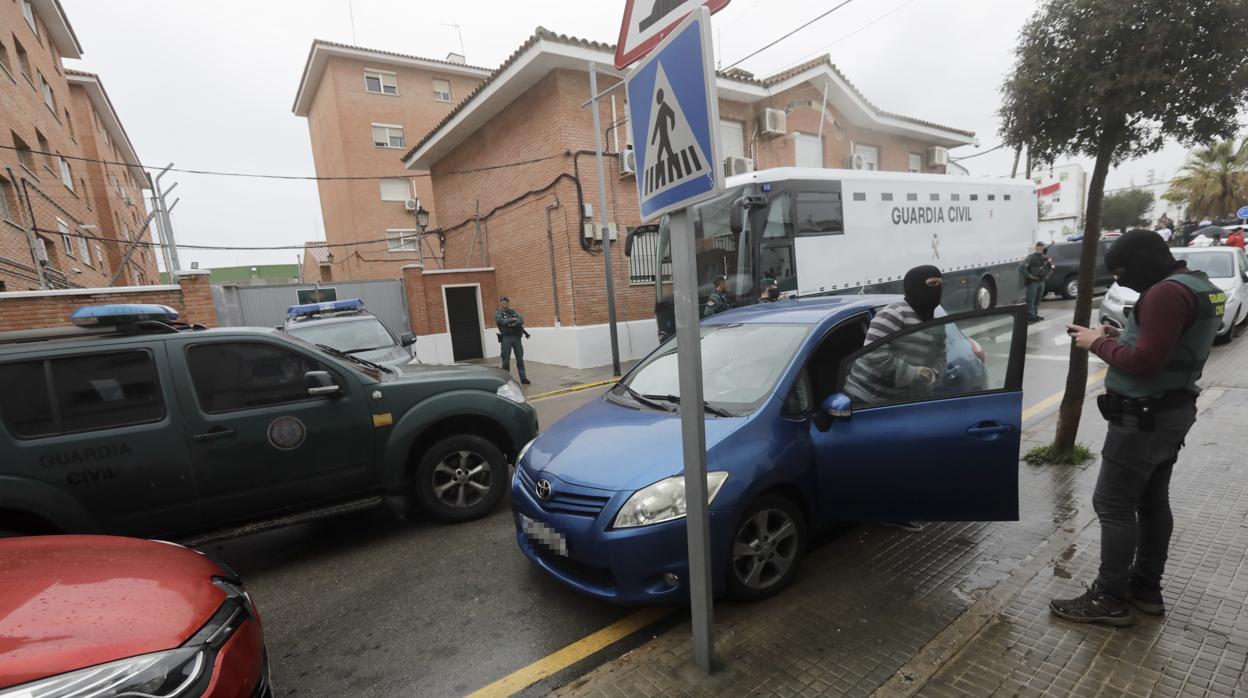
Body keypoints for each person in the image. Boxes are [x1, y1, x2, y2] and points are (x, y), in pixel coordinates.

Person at [1053, 230, 1224, 627]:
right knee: (1150, 502)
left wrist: (1097, 343)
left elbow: (1146, 362)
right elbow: (1166, 346)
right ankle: (1145, 589)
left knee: (1112, 506)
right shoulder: (1200, 285)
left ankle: (1110, 598)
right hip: (1171, 411)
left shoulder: (1165, 293)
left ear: (1145, 261)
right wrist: (1121, 336)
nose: (1118, 281)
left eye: (1122, 272)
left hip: (1143, 418)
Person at [843, 265, 947, 533]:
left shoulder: (935, 320)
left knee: (900, 458)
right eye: (930, 284)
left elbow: (940, 356)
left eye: (939, 284)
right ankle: (884, 510)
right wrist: (912, 372)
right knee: (879, 460)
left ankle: (895, 509)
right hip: (867, 398)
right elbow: (873, 353)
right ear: (913, 286)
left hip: (901, 400)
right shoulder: (894, 314)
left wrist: (933, 372)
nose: (936, 290)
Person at [494, 297, 530, 385]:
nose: (504, 304)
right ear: (500, 304)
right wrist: (513, 320)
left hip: (516, 337)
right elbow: (501, 322)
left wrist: (512, 322)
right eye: (502, 302)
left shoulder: (513, 312)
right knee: (506, 360)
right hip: (506, 338)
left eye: (506, 302)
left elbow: (521, 320)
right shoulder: (498, 313)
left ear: (508, 303)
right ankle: (506, 380)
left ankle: (523, 378)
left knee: (520, 359)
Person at [1020, 242, 1054, 322]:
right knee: (1031, 299)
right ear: (1036, 248)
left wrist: (1048, 275)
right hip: (1033, 282)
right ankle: (1031, 315)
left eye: (1041, 247)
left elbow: (1051, 267)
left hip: (1041, 281)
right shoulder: (1030, 258)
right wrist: (1029, 276)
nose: (1040, 249)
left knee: (1038, 299)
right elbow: (1022, 268)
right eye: (1038, 247)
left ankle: (1035, 314)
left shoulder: (1045, 258)